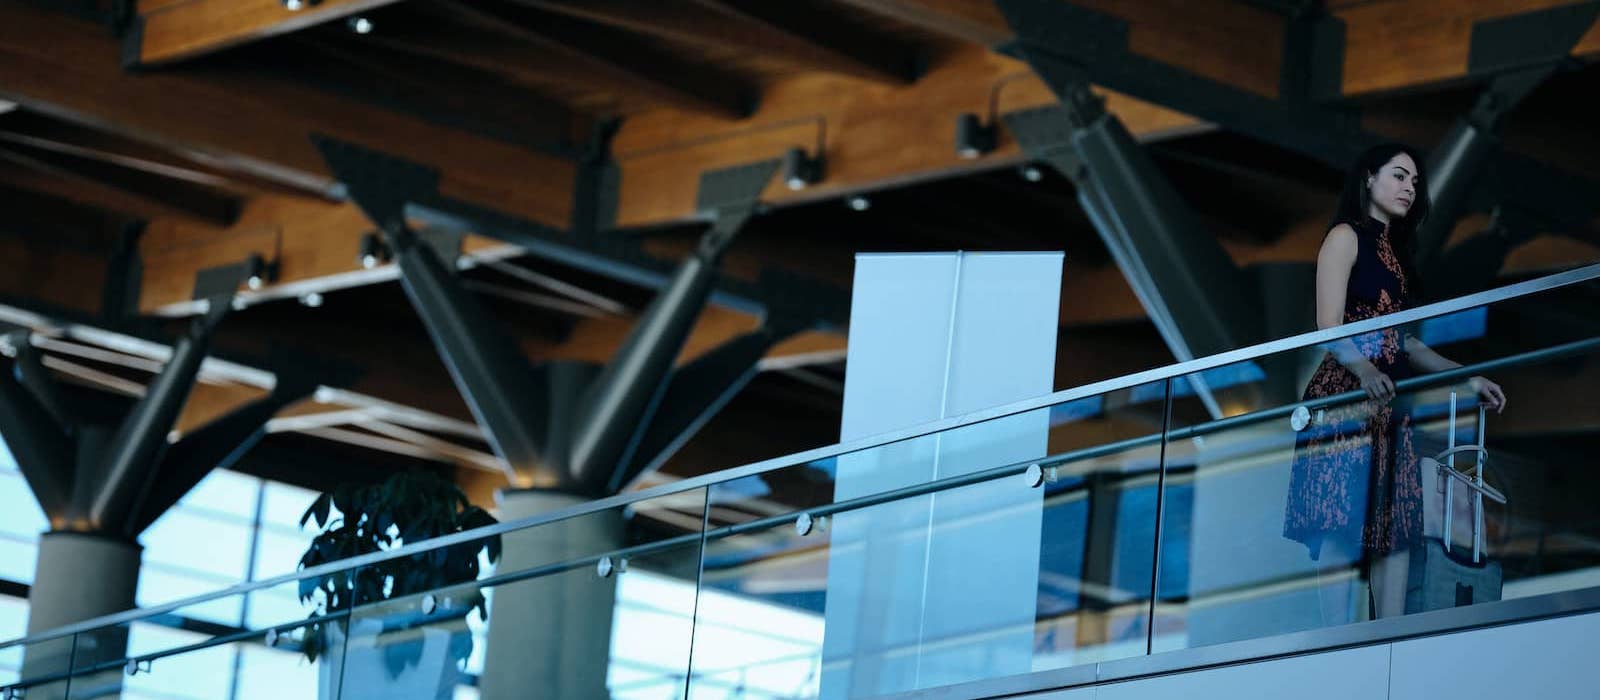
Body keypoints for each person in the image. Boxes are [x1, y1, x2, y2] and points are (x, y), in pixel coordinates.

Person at [1283, 143, 1507, 622]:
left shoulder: (1397, 258)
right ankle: (1337, 644)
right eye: (1400, 176)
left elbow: (1404, 343)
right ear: (1369, 178)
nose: (1409, 188)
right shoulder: (1345, 236)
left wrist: (1467, 379)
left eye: (1414, 182)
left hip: (1387, 404)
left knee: (1396, 530)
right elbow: (1329, 327)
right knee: (1343, 527)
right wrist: (1364, 369)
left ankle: (1387, 641)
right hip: (1344, 398)